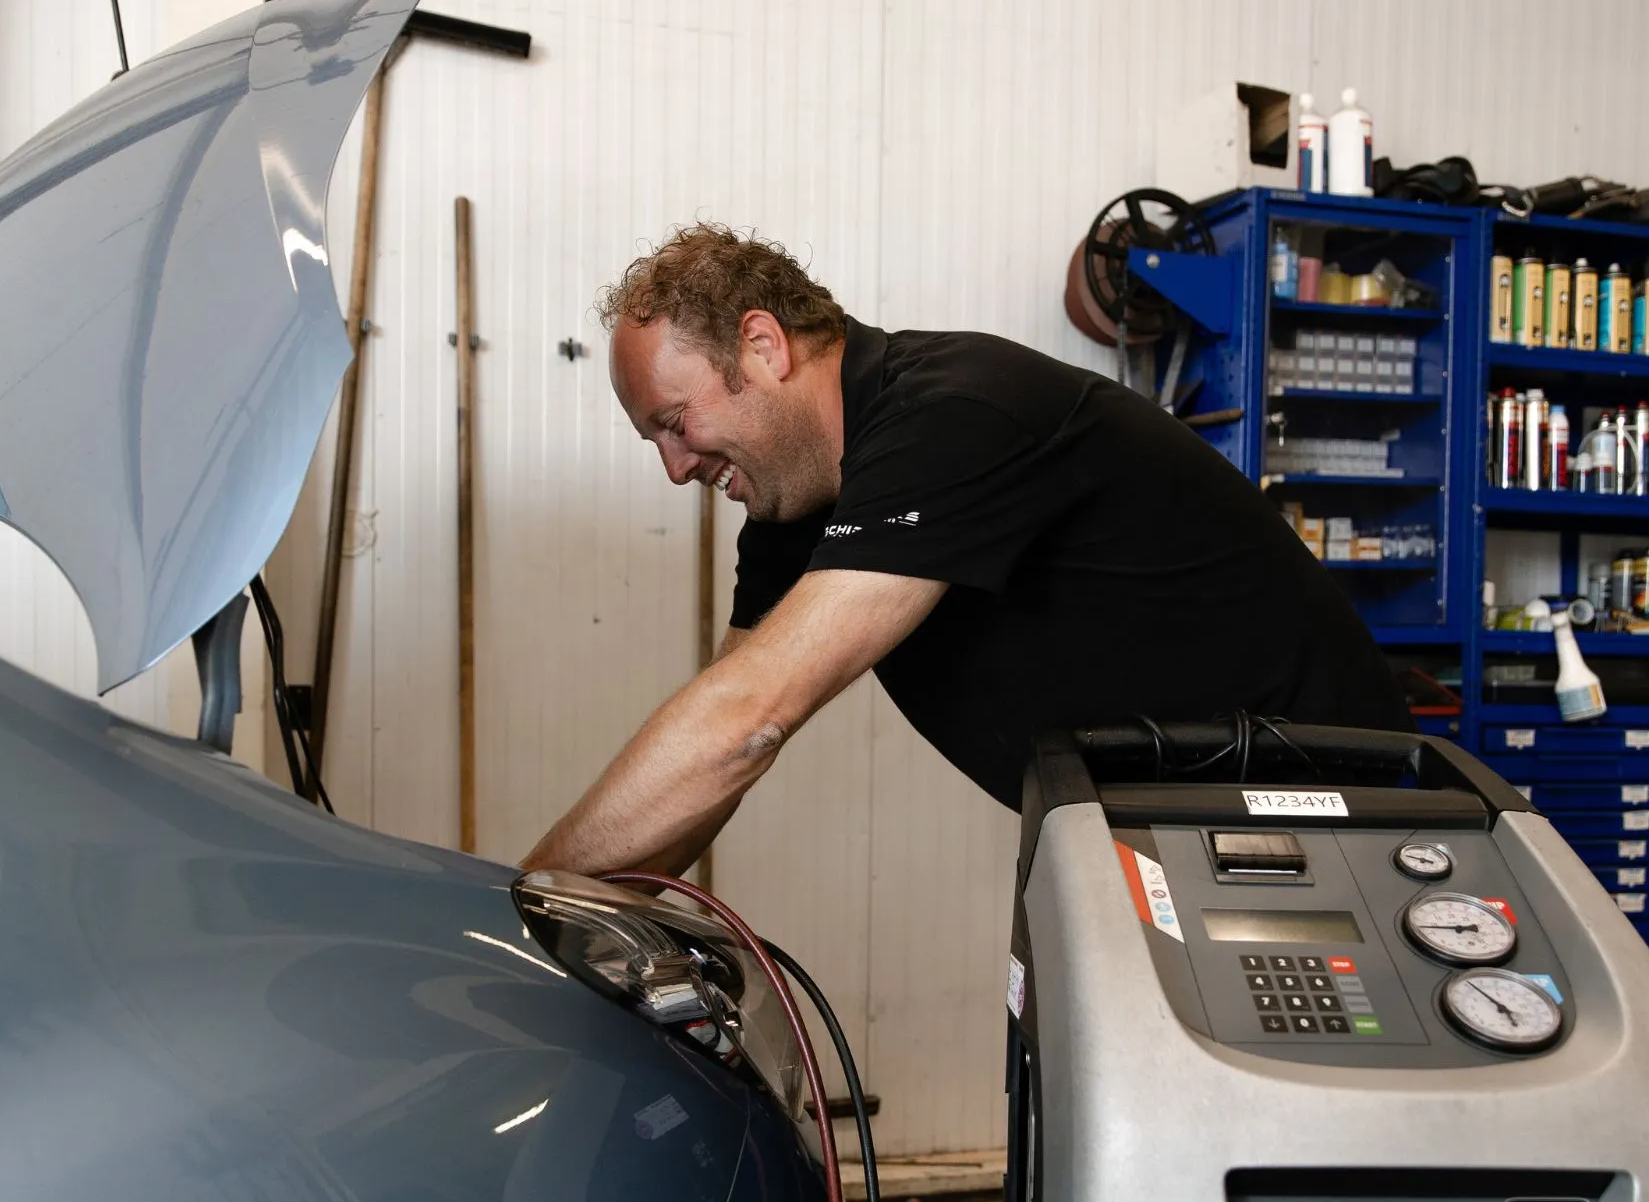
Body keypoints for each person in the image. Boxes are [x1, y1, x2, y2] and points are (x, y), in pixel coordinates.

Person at [521, 224, 1410, 876]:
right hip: (1168, 831)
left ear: (761, 346)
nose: (677, 468)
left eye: (677, 424)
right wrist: (593, 910)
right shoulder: (798, 503)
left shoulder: (949, 415)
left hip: (1333, 817)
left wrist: (521, 912)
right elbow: (717, 744)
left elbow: (745, 721)